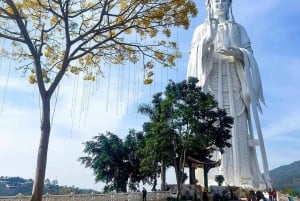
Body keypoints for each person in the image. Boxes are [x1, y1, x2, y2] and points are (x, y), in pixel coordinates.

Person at [187, 0, 271, 188]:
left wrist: (238, 53)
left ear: (229, 4)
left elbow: (250, 53)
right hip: (211, 80)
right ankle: (209, 177)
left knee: (237, 128)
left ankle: (244, 176)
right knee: (211, 126)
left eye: (224, 1)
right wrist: (206, 42)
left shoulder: (238, 29)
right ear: (208, 4)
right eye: (216, 1)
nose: (220, 4)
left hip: (234, 80)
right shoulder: (200, 29)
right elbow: (193, 59)